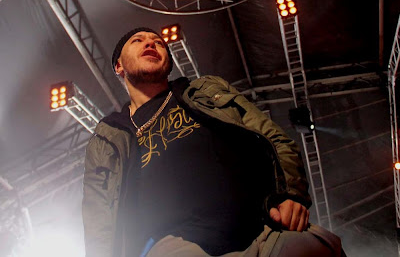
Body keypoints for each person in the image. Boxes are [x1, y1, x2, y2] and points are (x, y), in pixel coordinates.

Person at [82, 27, 344, 256]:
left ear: (168, 64)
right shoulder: (109, 137)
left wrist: (291, 195)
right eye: (138, 40)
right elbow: (98, 217)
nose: (151, 43)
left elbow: (273, 137)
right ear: (119, 66)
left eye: (158, 42)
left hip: (264, 230)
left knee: (322, 248)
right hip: (174, 248)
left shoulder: (205, 91)